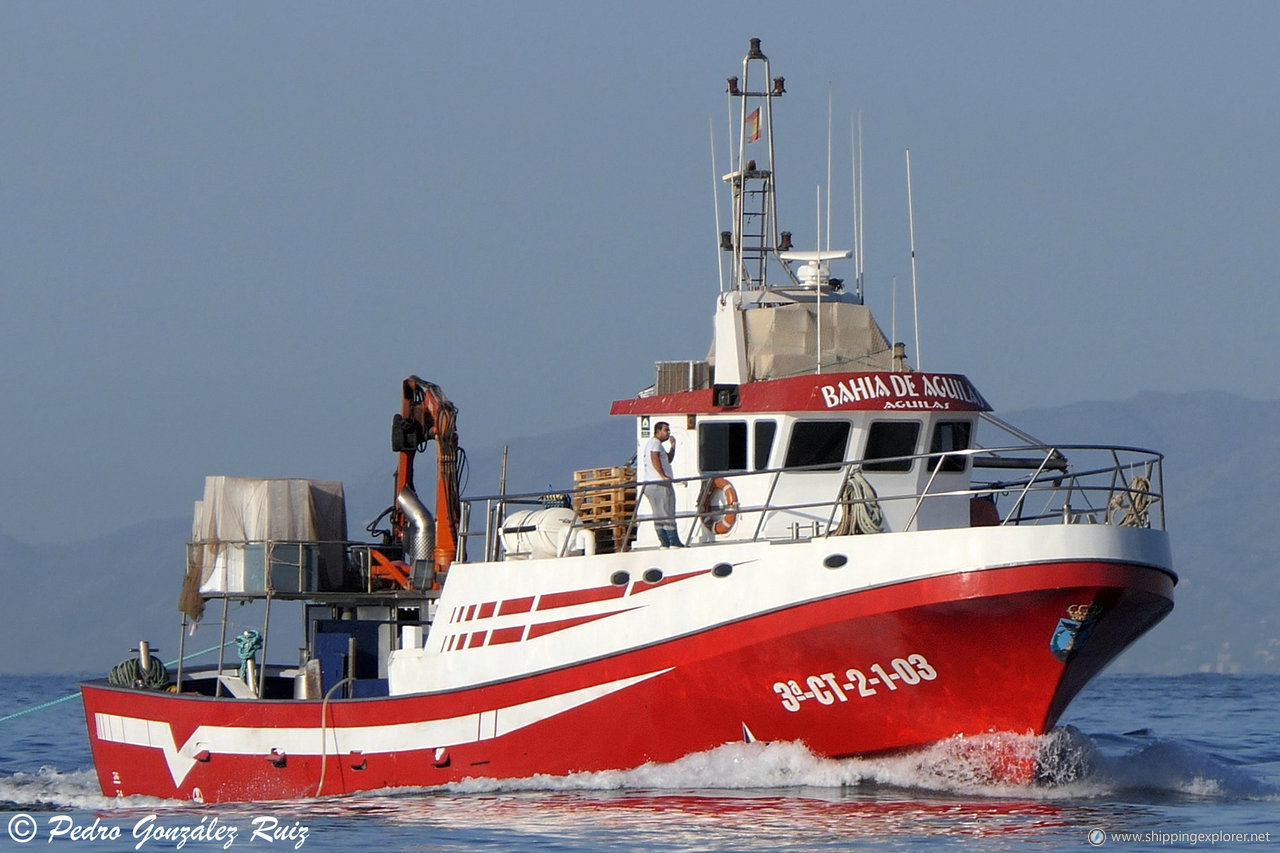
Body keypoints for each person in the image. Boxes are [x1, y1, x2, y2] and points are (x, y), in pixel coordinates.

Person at [640, 421, 682, 547]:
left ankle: (664, 542)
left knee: (658, 514)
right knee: (667, 511)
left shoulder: (655, 444)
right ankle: (673, 541)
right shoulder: (655, 444)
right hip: (659, 484)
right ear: (658, 431)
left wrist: (673, 447)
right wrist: (663, 476)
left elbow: (668, 459)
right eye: (666, 430)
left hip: (650, 484)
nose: (668, 433)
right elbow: (655, 458)